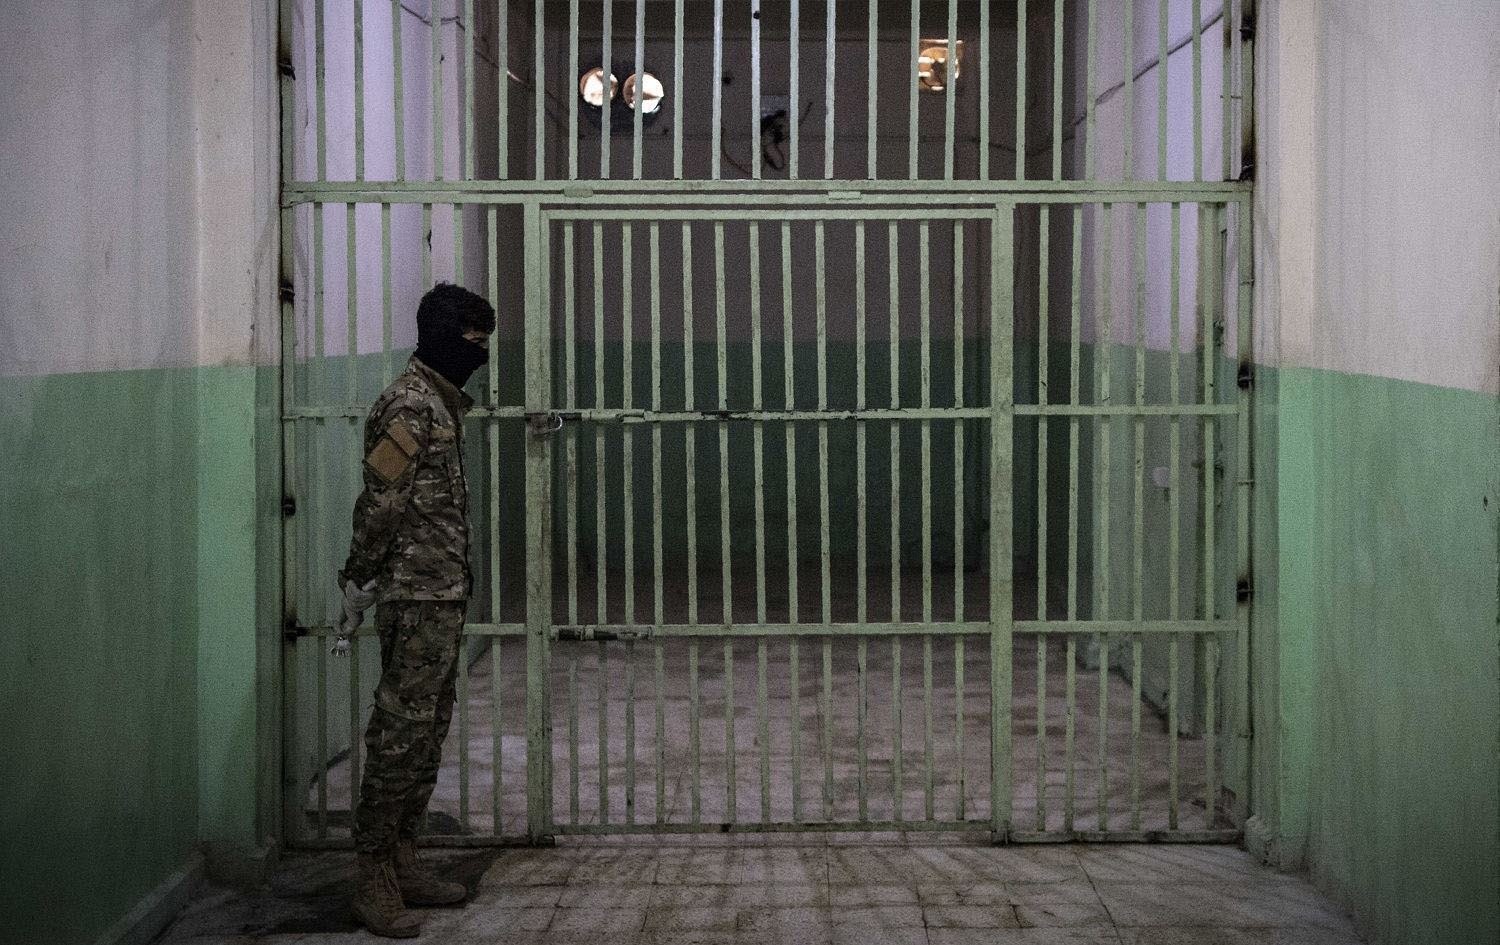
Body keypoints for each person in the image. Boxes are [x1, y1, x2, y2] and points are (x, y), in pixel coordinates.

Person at [333, 282, 494, 938]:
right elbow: (382, 501)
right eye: (475, 342)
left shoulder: (441, 403)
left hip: (442, 594)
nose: (481, 355)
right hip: (412, 594)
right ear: (444, 339)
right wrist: (358, 577)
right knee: (401, 733)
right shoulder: (408, 405)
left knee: (427, 731)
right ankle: (373, 871)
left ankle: (403, 856)